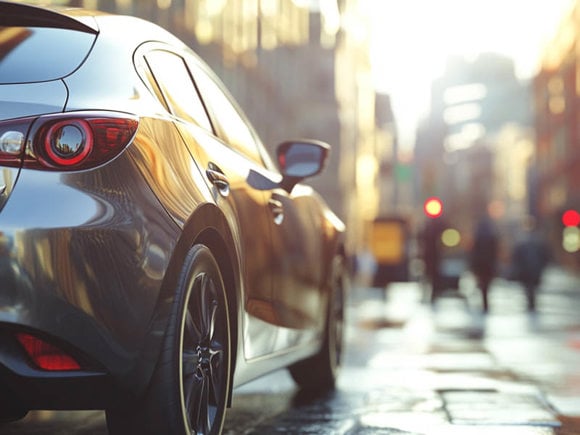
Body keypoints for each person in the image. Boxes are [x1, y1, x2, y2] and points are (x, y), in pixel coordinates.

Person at [510, 216, 550, 311]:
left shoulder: (522, 240)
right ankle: (531, 303)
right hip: (533, 269)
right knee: (531, 288)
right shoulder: (538, 240)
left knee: (529, 287)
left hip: (528, 269)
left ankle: (531, 303)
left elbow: (516, 256)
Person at [470, 214, 499, 312]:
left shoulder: (478, 238)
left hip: (481, 265)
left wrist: (473, 265)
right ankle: (485, 302)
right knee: (486, 285)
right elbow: (495, 252)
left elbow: (473, 253)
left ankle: (484, 302)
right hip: (488, 265)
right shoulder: (491, 238)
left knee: (483, 285)